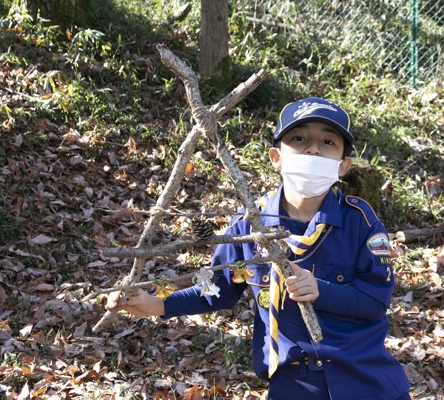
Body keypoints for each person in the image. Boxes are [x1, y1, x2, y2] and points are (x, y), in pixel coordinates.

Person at [107, 97, 411, 400]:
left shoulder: (361, 223)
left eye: (328, 141)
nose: (313, 149)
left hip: (366, 379)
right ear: (276, 157)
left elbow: (375, 302)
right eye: (299, 138)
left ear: (343, 166)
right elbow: (218, 288)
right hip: (295, 384)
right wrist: (157, 302)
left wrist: (321, 290)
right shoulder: (250, 228)